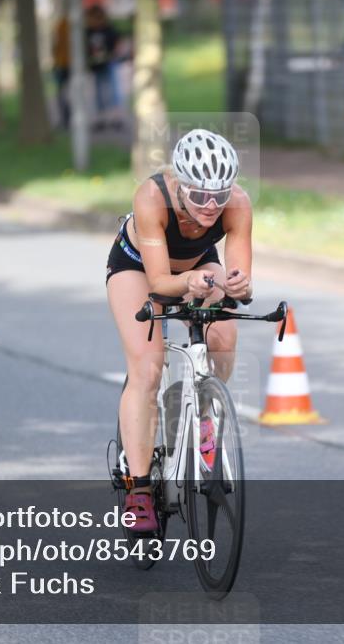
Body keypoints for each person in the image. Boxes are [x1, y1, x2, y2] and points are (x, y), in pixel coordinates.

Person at [105, 130, 252, 532]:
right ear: (179, 184)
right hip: (138, 266)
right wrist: (188, 283)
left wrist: (237, 285)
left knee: (223, 334)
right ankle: (138, 489)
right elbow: (159, 282)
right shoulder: (152, 197)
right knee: (148, 369)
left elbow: (242, 279)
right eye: (199, 195)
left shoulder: (236, 203)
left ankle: (203, 412)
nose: (210, 205)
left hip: (197, 261)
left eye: (218, 196)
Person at [85, 5, 121, 130]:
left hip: (109, 63)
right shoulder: (88, 31)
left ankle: (116, 118)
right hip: (96, 66)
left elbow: (116, 44)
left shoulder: (108, 30)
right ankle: (101, 119)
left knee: (114, 91)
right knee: (99, 93)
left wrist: (111, 54)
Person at [51, 15, 71, 129]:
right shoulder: (62, 26)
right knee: (63, 94)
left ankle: (66, 119)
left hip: (64, 65)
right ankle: (65, 119)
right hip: (61, 65)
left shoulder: (62, 27)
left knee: (63, 94)